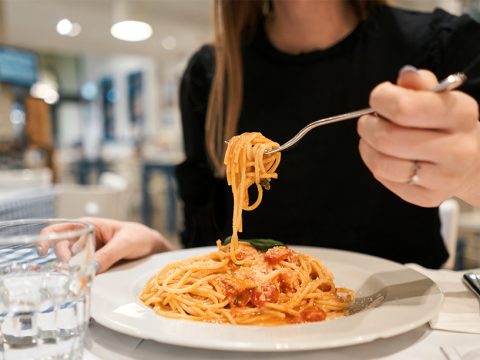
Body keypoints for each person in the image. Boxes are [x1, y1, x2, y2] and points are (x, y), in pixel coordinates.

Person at [89, 0, 480, 273]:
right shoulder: (211, 73)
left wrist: (472, 174)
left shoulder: (442, 44)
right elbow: (208, 245)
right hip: (245, 333)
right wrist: (157, 257)